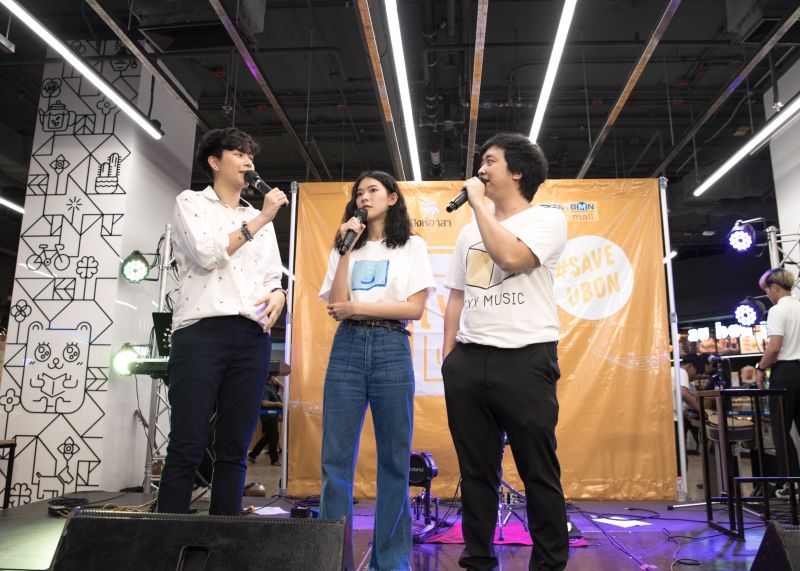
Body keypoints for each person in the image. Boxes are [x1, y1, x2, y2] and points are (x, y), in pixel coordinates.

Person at [442, 133, 568, 571]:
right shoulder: (467, 234)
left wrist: (478, 206)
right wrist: (449, 358)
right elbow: (457, 296)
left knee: (538, 469)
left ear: (517, 171)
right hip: (469, 360)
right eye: (481, 161)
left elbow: (512, 258)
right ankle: (478, 558)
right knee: (476, 471)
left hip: (525, 358)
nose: (480, 169)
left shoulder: (546, 220)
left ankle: (549, 563)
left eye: (490, 161)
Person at [157, 127, 288, 515]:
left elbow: (272, 276)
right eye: (239, 153)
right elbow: (206, 253)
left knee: (234, 447)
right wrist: (262, 218)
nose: (248, 161)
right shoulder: (191, 202)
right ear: (215, 162)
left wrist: (279, 294)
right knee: (187, 442)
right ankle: (166, 538)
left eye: (251, 155)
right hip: (201, 331)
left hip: (251, 335)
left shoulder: (257, 218)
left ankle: (224, 536)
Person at [318, 170, 435, 571]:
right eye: (359, 193)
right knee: (335, 460)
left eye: (373, 191)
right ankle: (333, 560)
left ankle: (390, 562)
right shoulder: (345, 245)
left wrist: (358, 306)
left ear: (392, 198)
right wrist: (344, 250)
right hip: (347, 346)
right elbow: (336, 305)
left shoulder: (412, 246)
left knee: (394, 460)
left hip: (390, 344)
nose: (364, 198)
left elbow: (414, 308)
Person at [754, 267, 800, 499]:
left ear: (775, 287)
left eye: (767, 291)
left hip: (786, 373)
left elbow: (774, 348)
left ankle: (792, 484)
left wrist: (760, 368)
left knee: (781, 429)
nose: (768, 296)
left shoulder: (777, 310)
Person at [672, 354, 702, 464]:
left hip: (664, 422)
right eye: (696, 372)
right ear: (690, 366)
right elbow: (684, 394)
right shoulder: (682, 372)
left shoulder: (670, 370)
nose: (695, 377)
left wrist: (684, 413)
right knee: (680, 460)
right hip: (674, 422)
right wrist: (702, 411)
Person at [248, 375, 283, 466]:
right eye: (274, 376)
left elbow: (283, 387)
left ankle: (252, 455)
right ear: (270, 377)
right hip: (268, 417)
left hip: (273, 416)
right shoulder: (265, 388)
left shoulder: (273, 387)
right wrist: (277, 404)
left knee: (268, 437)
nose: (276, 377)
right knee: (274, 437)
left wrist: (277, 381)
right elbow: (264, 403)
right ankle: (274, 460)